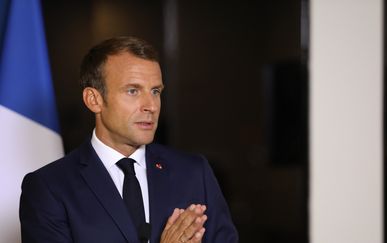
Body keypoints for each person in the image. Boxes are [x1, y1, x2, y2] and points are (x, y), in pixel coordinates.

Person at [19, 36, 238, 243]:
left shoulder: (193, 173)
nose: (151, 106)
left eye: (155, 91)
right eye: (133, 91)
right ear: (94, 99)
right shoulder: (49, 188)